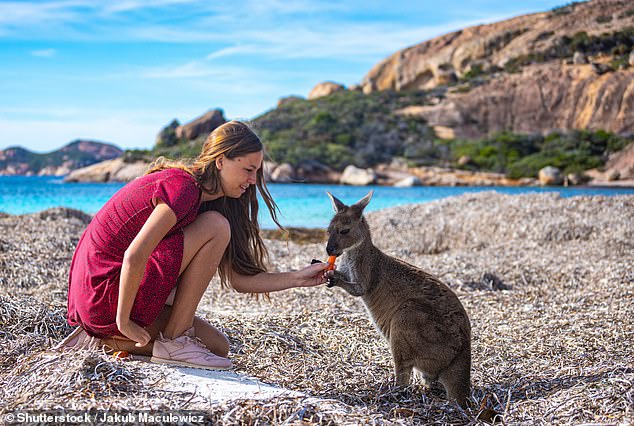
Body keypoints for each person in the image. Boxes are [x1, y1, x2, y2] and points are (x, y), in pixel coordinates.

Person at [58, 120, 330, 370]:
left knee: (218, 347)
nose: (252, 181)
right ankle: (173, 341)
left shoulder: (209, 199)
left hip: (103, 301)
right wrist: (123, 321)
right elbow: (134, 255)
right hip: (107, 297)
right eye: (248, 170)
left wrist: (297, 278)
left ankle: (103, 340)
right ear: (221, 161)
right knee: (215, 225)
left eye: (257, 172)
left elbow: (238, 279)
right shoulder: (184, 188)